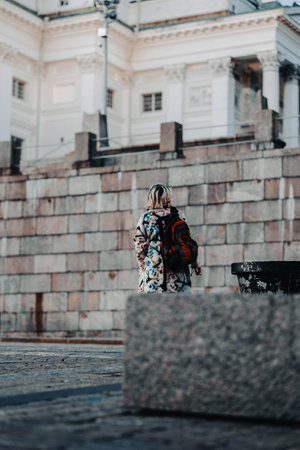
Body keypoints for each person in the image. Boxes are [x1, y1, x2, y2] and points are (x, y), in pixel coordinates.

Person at [133, 183, 201, 293]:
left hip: (155, 276)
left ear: (151, 198)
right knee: (179, 308)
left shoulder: (146, 218)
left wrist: (144, 267)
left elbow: (140, 247)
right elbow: (187, 241)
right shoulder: (179, 215)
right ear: (168, 197)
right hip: (178, 275)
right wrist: (195, 263)